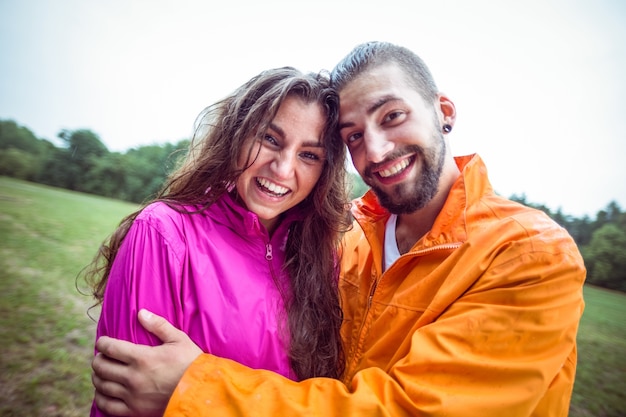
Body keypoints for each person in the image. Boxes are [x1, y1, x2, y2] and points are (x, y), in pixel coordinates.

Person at [91, 41, 587, 417]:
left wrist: (196, 389)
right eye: (353, 136)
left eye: (392, 116)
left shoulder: (529, 254)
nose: (375, 150)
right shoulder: (342, 240)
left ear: (444, 112)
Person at [84, 67, 351, 416]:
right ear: (236, 135)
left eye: (309, 155)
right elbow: (126, 402)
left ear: (324, 171)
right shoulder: (165, 232)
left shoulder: (323, 260)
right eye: (270, 139)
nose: (283, 169)